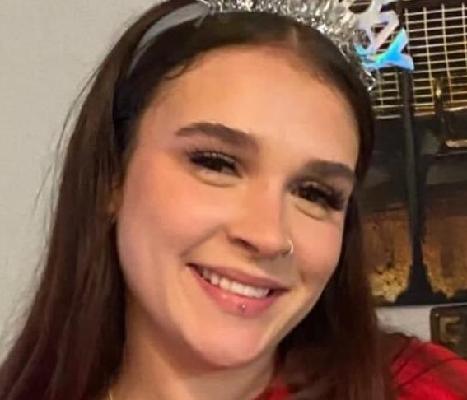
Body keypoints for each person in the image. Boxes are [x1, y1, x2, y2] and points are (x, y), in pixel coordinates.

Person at [0, 0, 466, 399]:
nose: (268, 236)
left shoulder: (426, 388)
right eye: (217, 163)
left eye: (315, 193)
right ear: (113, 177)